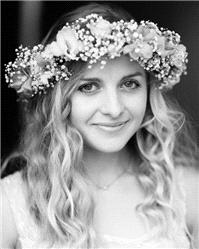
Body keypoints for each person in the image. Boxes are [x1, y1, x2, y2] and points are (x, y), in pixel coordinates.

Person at [1, 2, 198, 249]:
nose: (114, 109)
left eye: (129, 84)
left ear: (148, 91)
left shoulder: (188, 192)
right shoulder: (10, 203)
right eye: (88, 87)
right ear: (58, 100)